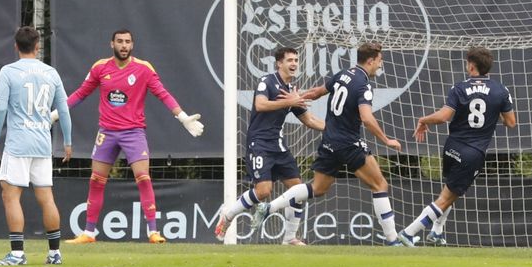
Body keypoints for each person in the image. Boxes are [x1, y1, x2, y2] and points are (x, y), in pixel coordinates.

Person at [62, 29, 204, 244]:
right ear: (112, 44)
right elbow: (81, 93)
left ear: (132, 44)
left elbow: (162, 93)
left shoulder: (143, 69)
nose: (124, 45)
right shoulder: (100, 67)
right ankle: (89, 233)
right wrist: (55, 114)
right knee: (96, 180)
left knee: (143, 177)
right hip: (107, 132)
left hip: (133, 132)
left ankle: (153, 232)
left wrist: (183, 117)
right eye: (119, 41)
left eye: (127, 41)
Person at [261, 42, 405, 245]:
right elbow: (366, 117)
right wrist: (386, 140)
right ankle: (393, 241)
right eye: (380, 61)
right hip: (349, 143)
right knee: (380, 184)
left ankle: (269, 207)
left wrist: (298, 96)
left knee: (317, 188)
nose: (381, 66)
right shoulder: (363, 85)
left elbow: (318, 92)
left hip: (329, 141)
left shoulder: (343, 74)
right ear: (370, 60)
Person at [396, 46, 516, 246]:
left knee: (451, 189)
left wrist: (424, 119)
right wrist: (496, 114)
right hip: (473, 152)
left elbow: (444, 117)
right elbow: (511, 122)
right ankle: (409, 233)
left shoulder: (459, 87)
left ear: (471, 66)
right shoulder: (500, 90)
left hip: (452, 147)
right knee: (446, 197)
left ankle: (436, 232)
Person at [214, 46, 324, 242]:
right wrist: (288, 101)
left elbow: (310, 120)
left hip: (278, 146)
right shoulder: (268, 81)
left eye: (296, 60)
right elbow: (260, 105)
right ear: (279, 63)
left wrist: (334, 129)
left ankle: (290, 239)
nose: (294, 64)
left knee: (297, 190)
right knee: (264, 191)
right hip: (259, 143)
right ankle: (228, 216)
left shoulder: (292, 92)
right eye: (289, 60)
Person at [0, 26, 73, 266]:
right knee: (46, 197)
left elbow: (1, 108)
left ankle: (17, 254)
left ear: (15, 46)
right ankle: (55, 253)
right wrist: (67, 141)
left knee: (10, 195)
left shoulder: (9, 71)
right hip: (42, 143)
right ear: (38, 47)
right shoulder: (51, 73)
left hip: (18, 144)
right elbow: (64, 110)